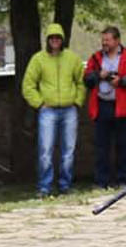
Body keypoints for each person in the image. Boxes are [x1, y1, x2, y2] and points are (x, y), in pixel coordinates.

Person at [21, 23, 84, 196]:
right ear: (47, 40)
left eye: (58, 38)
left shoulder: (72, 58)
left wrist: (77, 101)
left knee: (68, 151)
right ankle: (44, 186)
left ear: (62, 40)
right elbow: (28, 85)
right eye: (52, 38)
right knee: (45, 150)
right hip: (47, 111)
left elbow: (81, 81)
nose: (55, 41)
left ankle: (65, 185)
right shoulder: (38, 59)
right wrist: (39, 103)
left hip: (69, 109)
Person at [84, 27, 126, 188]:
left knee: (122, 145)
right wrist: (99, 75)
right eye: (103, 40)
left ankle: (122, 179)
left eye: (107, 40)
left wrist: (122, 81)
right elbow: (87, 79)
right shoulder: (96, 58)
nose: (104, 43)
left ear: (117, 40)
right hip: (101, 105)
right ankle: (101, 181)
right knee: (101, 146)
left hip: (122, 106)